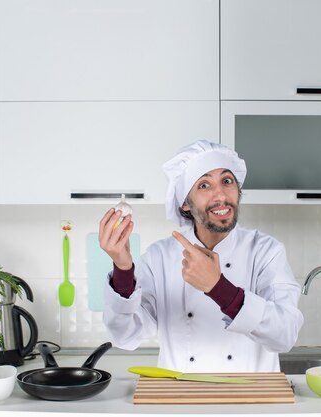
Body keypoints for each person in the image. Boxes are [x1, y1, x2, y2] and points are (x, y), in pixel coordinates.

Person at [99, 140, 303, 372]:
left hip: (250, 399)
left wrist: (219, 288)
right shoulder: (160, 257)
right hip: (183, 400)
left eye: (227, 181)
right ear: (185, 203)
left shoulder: (266, 251)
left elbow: (284, 335)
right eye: (204, 185)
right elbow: (125, 336)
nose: (221, 195)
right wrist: (123, 269)